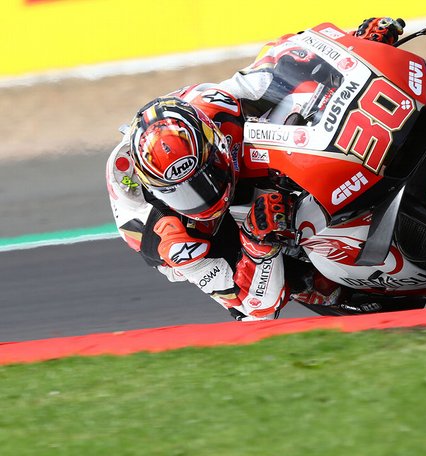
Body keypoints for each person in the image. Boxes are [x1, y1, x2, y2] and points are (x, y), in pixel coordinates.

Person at [105, 18, 406, 321]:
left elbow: (281, 58)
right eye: (187, 192)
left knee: (295, 99)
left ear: (215, 142)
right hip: (203, 234)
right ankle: (333, 288)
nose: (206, 194)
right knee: (303, 282)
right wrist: (257, 241)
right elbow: (252, 309)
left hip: (222, 148)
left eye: (207, 177)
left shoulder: (213, 105)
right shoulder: (172, 239)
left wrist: (357, 42)